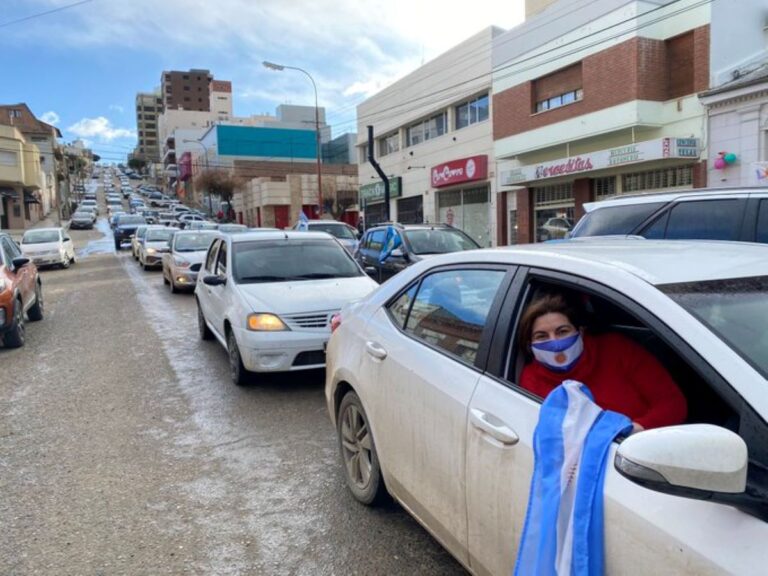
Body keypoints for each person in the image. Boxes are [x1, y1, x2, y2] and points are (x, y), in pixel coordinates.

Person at [518, 291, 687, 432]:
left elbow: (672, 403)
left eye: (562, 331)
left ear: (581, 332)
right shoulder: (532, 379)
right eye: (542, 336)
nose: (555, 343)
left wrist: (633, 432)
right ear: (529, 345)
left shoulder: (617, 349)